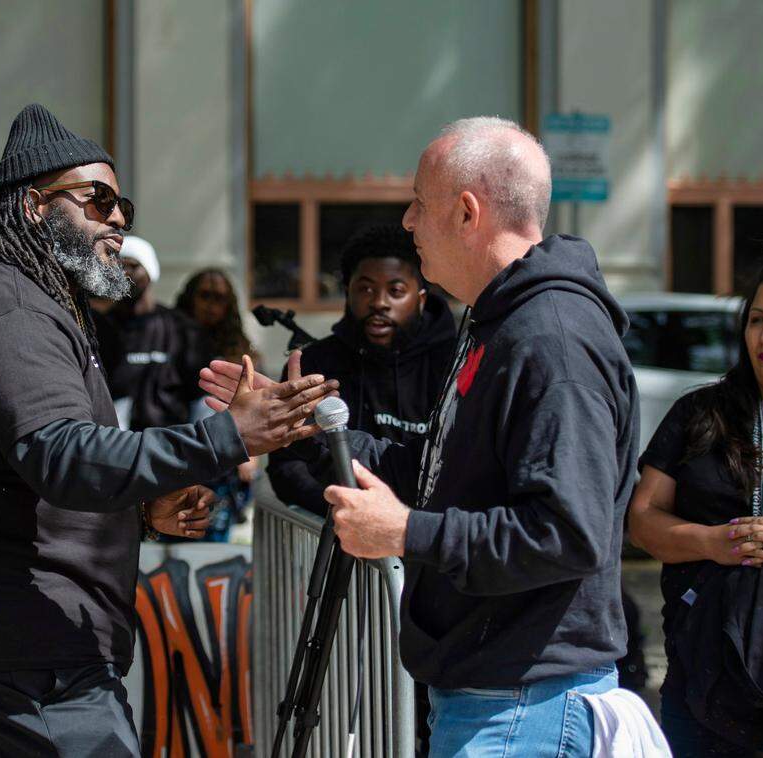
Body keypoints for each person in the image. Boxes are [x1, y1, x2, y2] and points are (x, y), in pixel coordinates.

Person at [0, 103, 337, 758]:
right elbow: (59, 455)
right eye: (96, 200)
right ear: (36, 206)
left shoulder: (28, 297)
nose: (119, 217)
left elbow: (27, 468)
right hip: (22, 640)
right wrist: (228, 434)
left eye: (121, 201)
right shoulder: (9, 307)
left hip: (27, 634)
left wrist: (141, 510)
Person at [201, 116, 639, 756]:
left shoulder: (551, 337)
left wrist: (405, 532)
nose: (407, 222)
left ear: (467, 213)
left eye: (418, 203)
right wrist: (295, 424)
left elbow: (567, 533)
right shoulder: (498, 321)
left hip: (525, 702)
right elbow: (435, 471)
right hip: (493, 695)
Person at [628, 249, 763, 756]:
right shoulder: (699, 413)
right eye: (757, 319)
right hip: (705, 673)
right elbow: (641, 520)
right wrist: (712, 542)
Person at [266, 224, 457, 517]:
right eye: (366, 288)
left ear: (420, 299)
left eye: (395, 291)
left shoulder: (456, 363)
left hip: (428, 541)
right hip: (337, 538)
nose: (379, 302)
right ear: (348, 292)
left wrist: (408, 524)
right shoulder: (313, 364)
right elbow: (287, 465)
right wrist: (346, 509)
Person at [174, 268, 262, 539]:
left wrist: (251, 455)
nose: (212, 305)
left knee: (212, 542)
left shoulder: (239, 348)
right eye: (205, 296)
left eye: (220, 298)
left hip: (221, 459)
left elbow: (254, 403)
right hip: (176, 451)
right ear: (191, 298)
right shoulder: (170, 335)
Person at [93, 236, 211, 431]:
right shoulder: (99, 328)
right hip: (117, 446)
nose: (125, 272)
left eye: (133, 265)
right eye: (118, 265)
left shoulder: (180, 329)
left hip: (172, 446)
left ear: (150, 271)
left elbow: (201, 398)